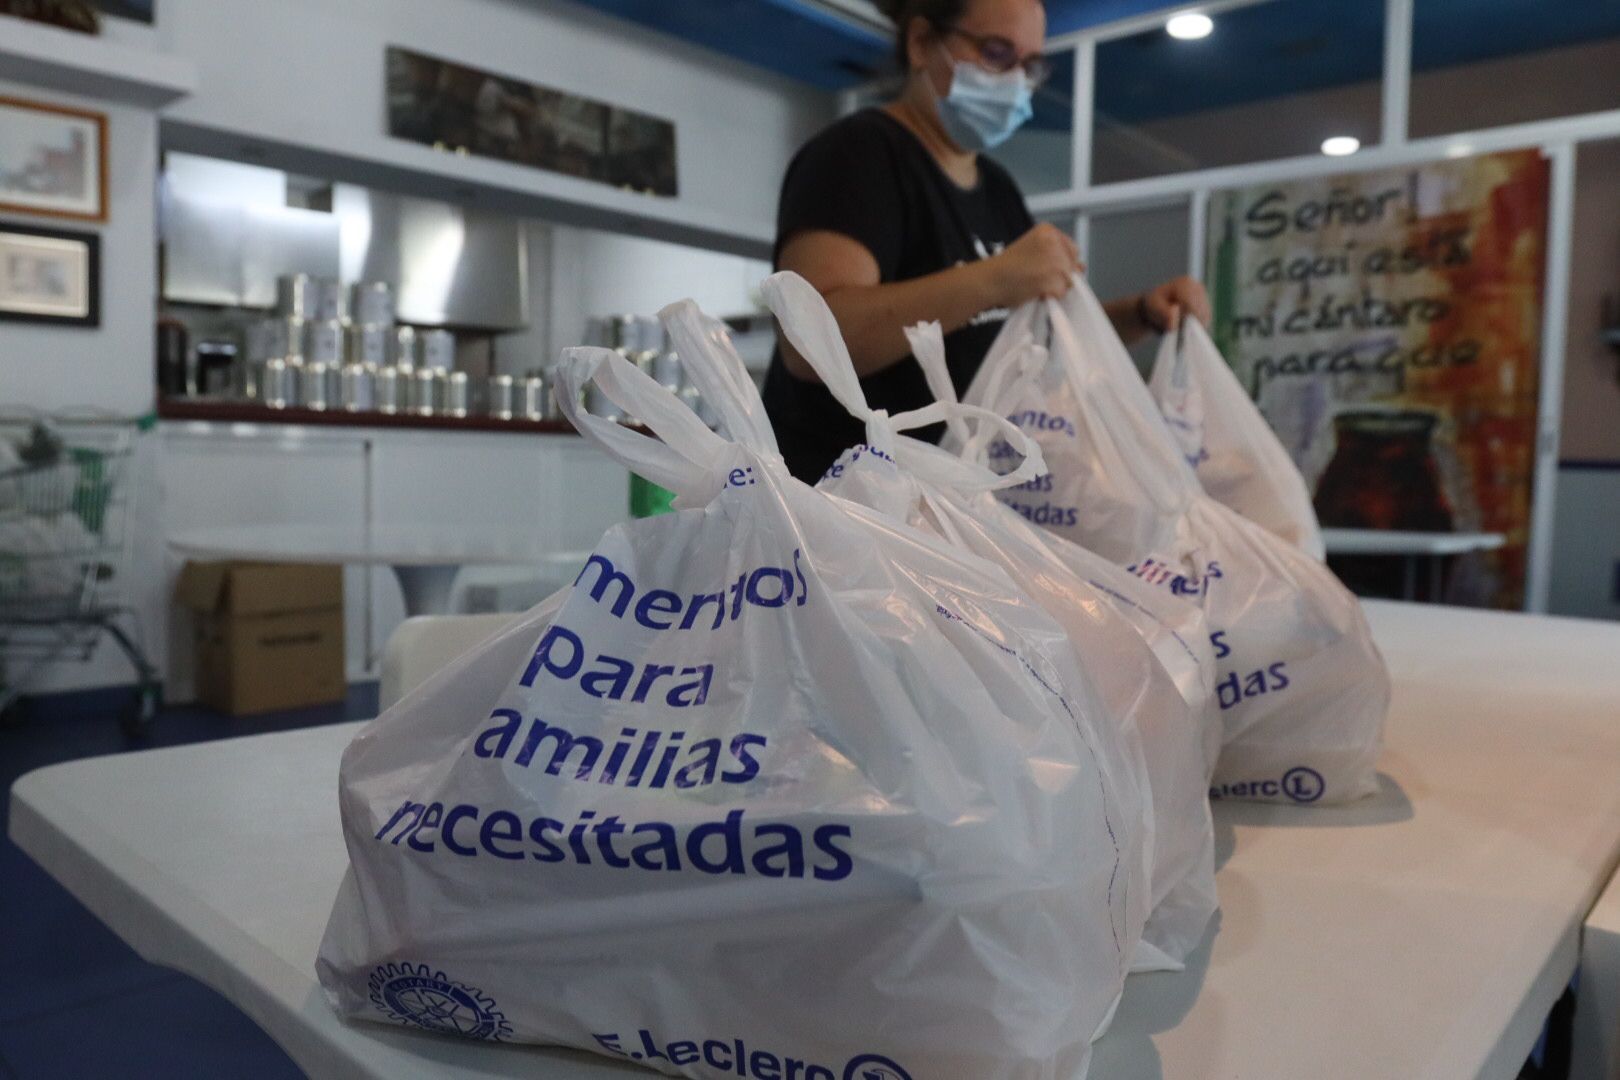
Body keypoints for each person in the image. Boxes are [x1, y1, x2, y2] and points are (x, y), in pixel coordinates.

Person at [762, 0, 1212, 482]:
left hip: (947, 505)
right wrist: (996, 279)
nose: (1016, 80)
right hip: (840, 508)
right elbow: (810, 341)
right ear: (920, 44)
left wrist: (1142, 313)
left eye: (1030, 65)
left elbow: (1032, 337)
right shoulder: (858, 155)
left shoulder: (997, 189)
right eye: (997, 53)